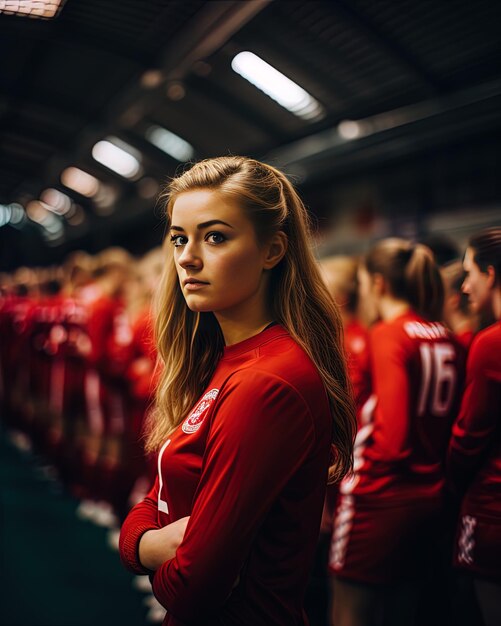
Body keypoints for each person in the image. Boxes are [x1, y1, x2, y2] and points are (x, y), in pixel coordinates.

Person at [119, 156, 356, 625]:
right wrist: (148, 543)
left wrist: (142, 553)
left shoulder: (266, 383)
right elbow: (157, 498)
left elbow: (194, 584)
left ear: (273, 251)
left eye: (215, 237)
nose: (187, 256)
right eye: (179, 238)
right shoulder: (226, 359)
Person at [329, 238, 465, 626]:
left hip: (379, 495)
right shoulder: (443, 332)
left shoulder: (389, 333)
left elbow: (392, 434)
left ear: (378, 284)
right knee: (405, 611)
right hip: (431, 495)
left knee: (347, 613)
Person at [448, 228, 501, 626]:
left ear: (492, 275)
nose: (466, 286)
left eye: (471, 273)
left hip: (491, 511)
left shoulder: (490, 342)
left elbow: (469, 436)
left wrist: (449, 482)